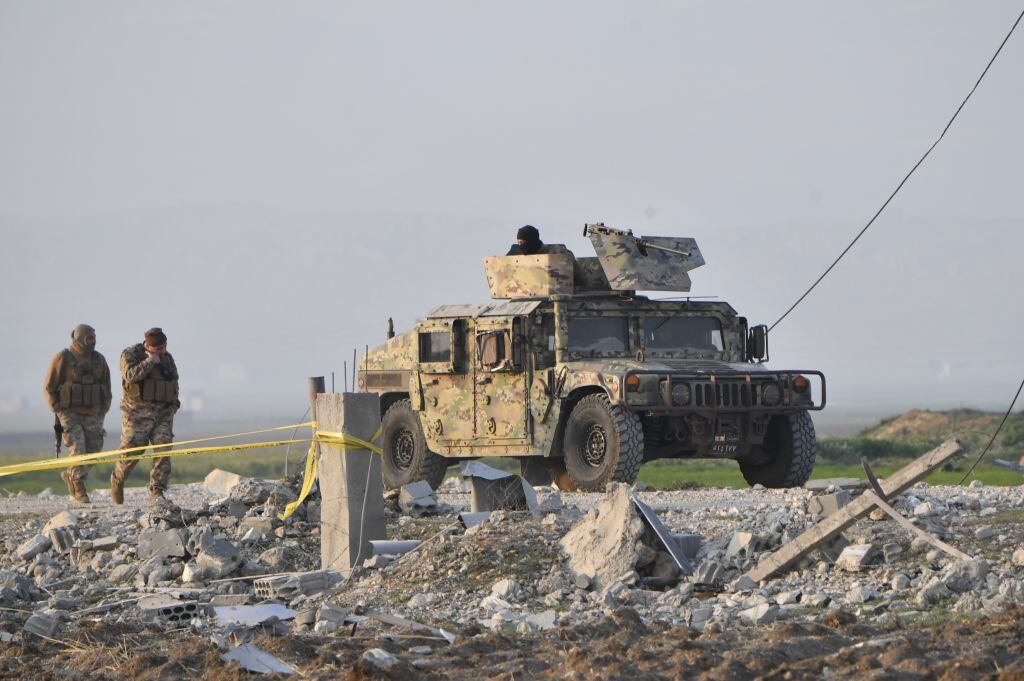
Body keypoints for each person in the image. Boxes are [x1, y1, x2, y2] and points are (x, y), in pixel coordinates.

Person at [43, 324, 112, 504]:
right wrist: (57, 408)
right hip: (69, 412)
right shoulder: (63, 358)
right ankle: (78, 486)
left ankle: (72, 474)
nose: (93, 342)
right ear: (80, 339)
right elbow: (49, 386)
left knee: (94, 450)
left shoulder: (99, 360)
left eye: (94, 338)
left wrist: (104, 408)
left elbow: (107, 385)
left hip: (94, 412)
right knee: (78, 449)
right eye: (89, 338)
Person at [111, 327, 180, 504]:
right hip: (137, 414)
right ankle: (118, 479)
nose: (162, 352)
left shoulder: (167, 359)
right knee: (132, 452)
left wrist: (173, 405)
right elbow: (130, 375)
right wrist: (150, 362)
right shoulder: (131, 355)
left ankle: (157, 491)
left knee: (163, 450)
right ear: (148, 347)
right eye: (158, 349)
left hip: (162, 414)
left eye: (164, 347)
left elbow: (174, 381)